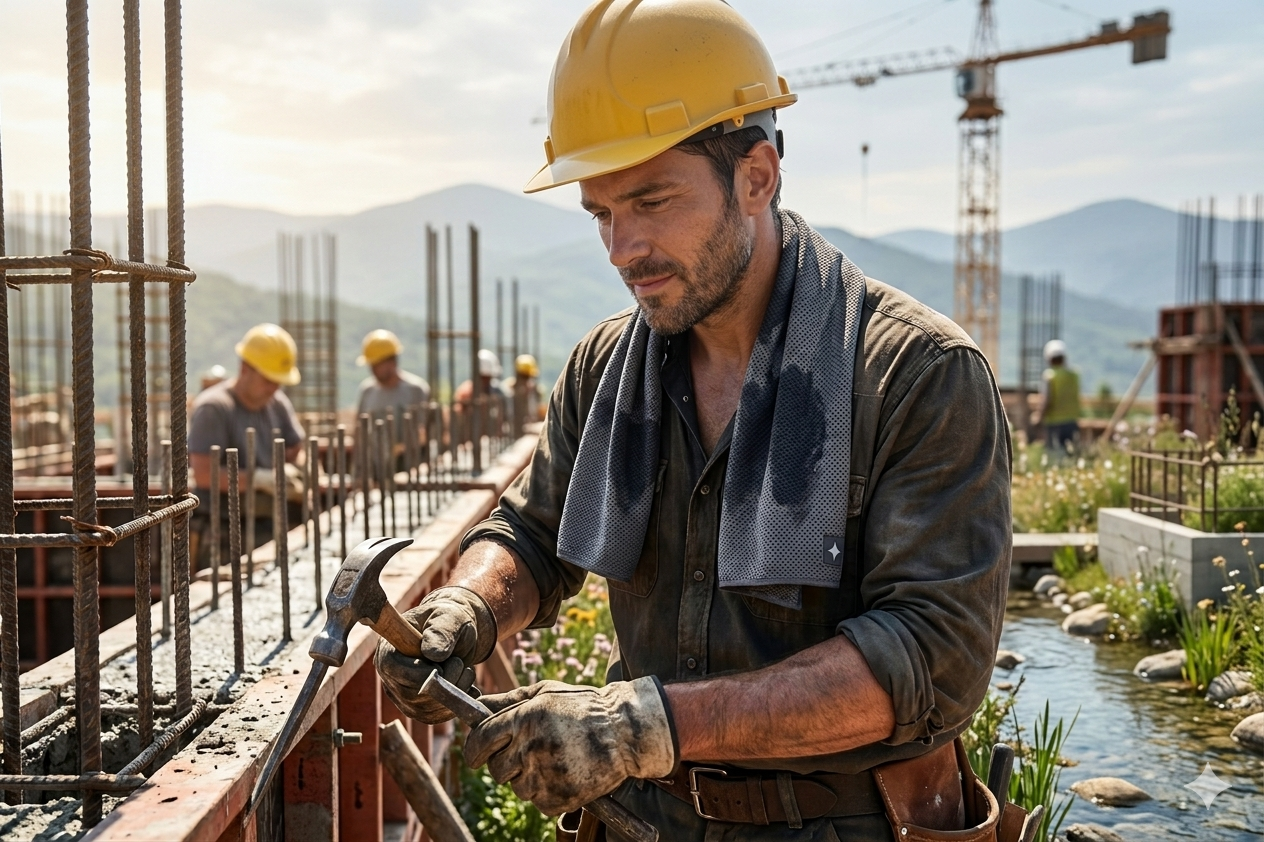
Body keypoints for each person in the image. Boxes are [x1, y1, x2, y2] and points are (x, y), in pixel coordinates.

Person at [375, 2, 1013, 840]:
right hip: (641, 822)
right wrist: (469, 605)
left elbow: (929, 661)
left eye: (651, 200)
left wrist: (644, 727)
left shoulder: (915, 375)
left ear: (757, 175)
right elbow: (532, 532)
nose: (622, 248)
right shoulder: (609, 369)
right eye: (602, 212)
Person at [188, 324, 305, 567]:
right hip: (223, 533)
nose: (274, 387)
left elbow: (296, 449)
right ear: (244, 369)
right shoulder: (214, 408)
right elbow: (202, 475)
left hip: (270, 524)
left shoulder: (276, 403)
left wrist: (296, 472)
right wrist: (260, 479)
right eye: (268, 380)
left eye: (278, 382)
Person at [1036, 338, 1081, 454]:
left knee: (1055, 455)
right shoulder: (1074, 375)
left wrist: (1038, 417)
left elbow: (1046, 400)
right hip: (1072, 421)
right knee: (1070, 454)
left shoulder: (1049, 376)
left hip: (1054, 423)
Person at [501, 353, 545, 435]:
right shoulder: (508, 390)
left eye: (528, 377)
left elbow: (538, 413)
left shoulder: (535, 391)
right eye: (524, 376)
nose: (526, 380)